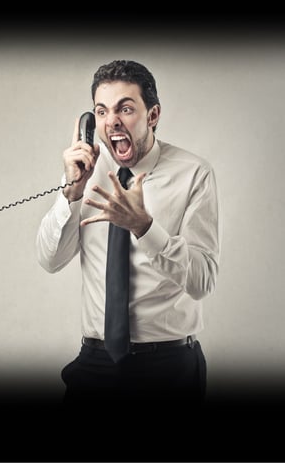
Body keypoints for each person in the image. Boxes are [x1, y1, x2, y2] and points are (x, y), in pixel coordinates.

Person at [36, 59, 220, 408]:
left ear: (153, 115)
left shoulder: (194, 173)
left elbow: (202, 281)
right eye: (101, 111)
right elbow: (50, 260)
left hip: (169, 368)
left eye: (125, 108)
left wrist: (144, 227)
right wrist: (71, 194)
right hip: (95, 364)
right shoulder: (85, 172)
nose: (112, 121)